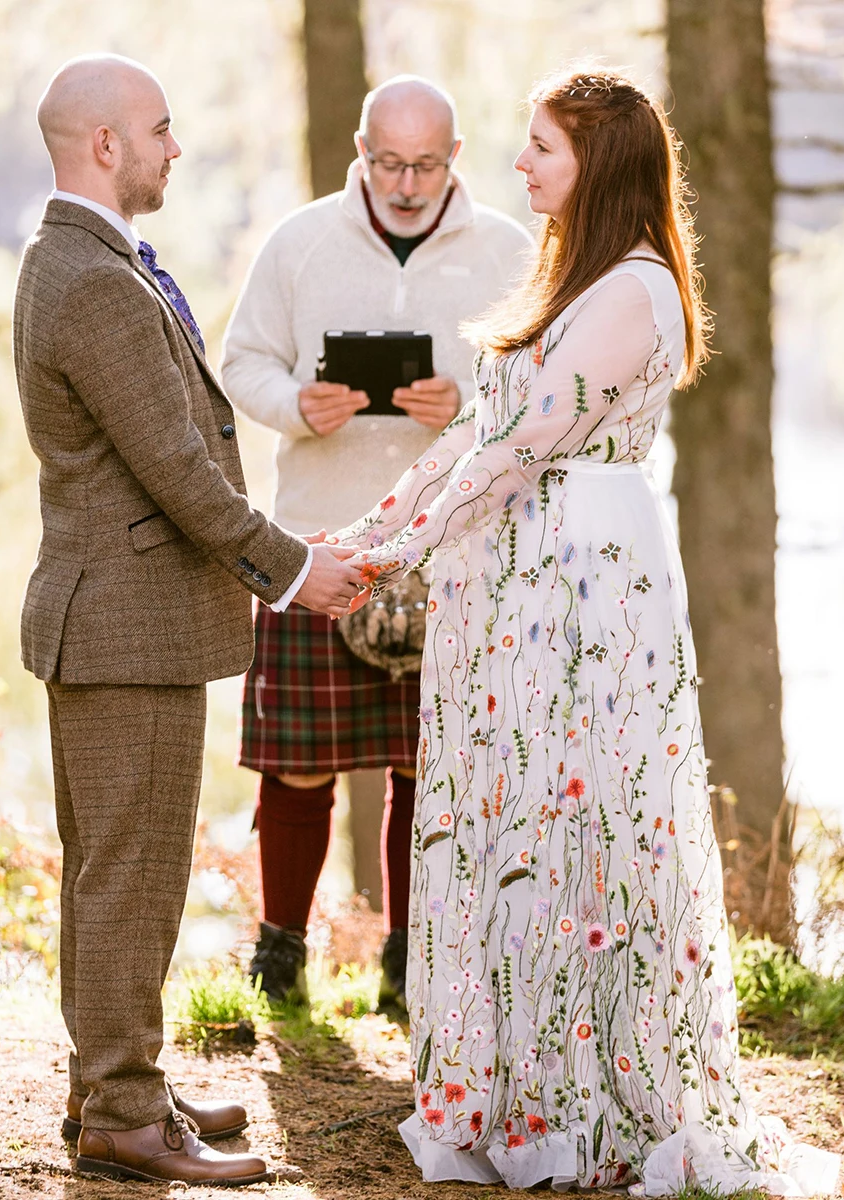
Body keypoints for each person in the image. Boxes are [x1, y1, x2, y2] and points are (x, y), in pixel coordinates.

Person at [329, 68, 840, 1195]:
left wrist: (395, 558)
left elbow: (518, 456)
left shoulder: (635, 294)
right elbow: (476, 438)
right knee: (517, 818)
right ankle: (518, 1083)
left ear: (597, 166)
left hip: (580, 580)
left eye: (541, 150)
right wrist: (366, 534)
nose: (519, 167)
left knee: (585, 819)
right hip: (517, 573)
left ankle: (595, 1098)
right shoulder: (577, 281)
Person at [13, 54, 360, 1185]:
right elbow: (177, 469)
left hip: (118, 621)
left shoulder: (76, 258)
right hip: (127, 628)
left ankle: (115, 1086)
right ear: (105, 145)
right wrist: (293, 569)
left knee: (114, 873)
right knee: (131, 879)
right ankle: (119, 1114)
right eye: (160, 129)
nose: (176, 147)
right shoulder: (95, 281)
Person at [221, 75, 532, 1014]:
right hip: (317, 538)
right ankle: (281, 955)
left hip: (450, 548)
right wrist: (296, 407)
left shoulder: (511, 253)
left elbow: (542, 400)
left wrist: (469, 407)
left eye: (425, 164)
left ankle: (410, 961)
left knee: (425, 762)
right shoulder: (300, 241)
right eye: (387, 161)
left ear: (456, 157)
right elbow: (241, 363)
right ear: (361, 150)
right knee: (299, 761)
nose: (404, 183)